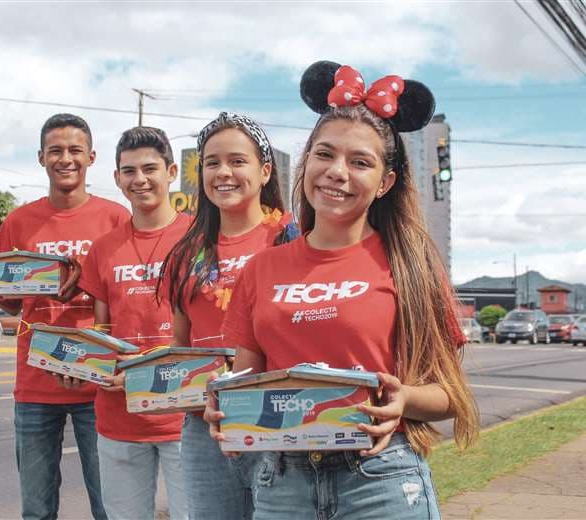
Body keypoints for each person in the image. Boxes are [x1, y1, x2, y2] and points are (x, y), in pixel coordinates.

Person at [205, 61, 480, 519]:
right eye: (325, 154)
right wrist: (226, 408)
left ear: (385, 182)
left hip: (381, 480)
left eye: (360, 162)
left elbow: (451, 396)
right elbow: (247, 383)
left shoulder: (410, 265)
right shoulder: (261, 269)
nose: (337, 171)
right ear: (307, 162)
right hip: (282, 486)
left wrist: (404, 399)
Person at [0, 113, 129, 520]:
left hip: (98, 380)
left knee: (109, 507)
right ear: (41, 157)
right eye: (55, 151)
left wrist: (86, 284)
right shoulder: (18, 221)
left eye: (74, 150)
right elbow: (11, 303)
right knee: (36, 509)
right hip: (36, 382)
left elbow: (126, 294)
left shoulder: (116, 218)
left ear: (91, 157)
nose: (65, 159)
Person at [159, 112, 297, 520]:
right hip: (205, 428)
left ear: (265, 170)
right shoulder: (186, 253)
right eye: (212, 163)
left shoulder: (291, 239)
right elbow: (180, 345)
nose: (223, 173)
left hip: (276, 419)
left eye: (238, 161)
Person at [68, 126, 191, 520]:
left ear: (171, 172)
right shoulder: (104, 249)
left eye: (150, 168)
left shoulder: (199, 238)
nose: (140, 179)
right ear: (117, 178)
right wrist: (82, 364)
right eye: (129, 171)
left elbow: (206, 329)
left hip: (185, 416)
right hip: (119, 417)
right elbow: (102, 329)